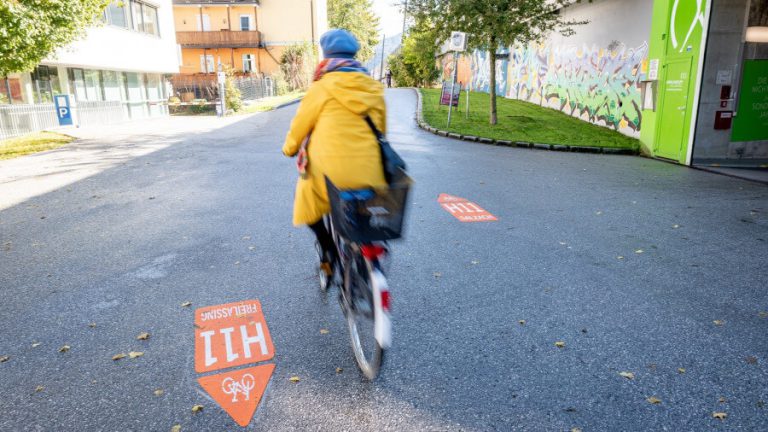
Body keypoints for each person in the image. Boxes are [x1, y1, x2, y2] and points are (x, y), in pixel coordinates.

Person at [282, 29, 387, 276]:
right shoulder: (373, 87)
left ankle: (328, 250)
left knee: (306, 201)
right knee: (361, 205)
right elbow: (381, 130)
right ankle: (368, 258)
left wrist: (289, 149)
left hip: (328, 173)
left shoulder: (321, 87)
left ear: (327, 55)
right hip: (369, 170)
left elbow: (299, 128)